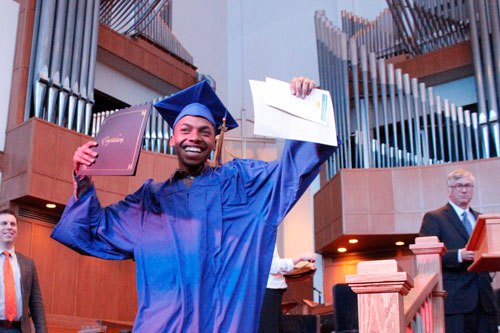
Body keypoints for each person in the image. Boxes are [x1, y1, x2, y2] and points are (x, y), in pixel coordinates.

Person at [51, 77, 337, 332]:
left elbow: (292, 170)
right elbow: (92, 230)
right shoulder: (148, 201)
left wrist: (306, 107)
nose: (195, 138)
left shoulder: (243, 186)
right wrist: (83, 177)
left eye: (204, 131)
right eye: (186, 129)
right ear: (173, 138)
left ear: (214, 140)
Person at [419, 169, 496, 333]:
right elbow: (426, 257)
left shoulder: (481, 218)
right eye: (459, 185)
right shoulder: (435, 218)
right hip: (456, 302)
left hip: (485, 300)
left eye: (468, 185)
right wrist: (459, 255)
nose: (464, 190)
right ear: (450, 190)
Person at [0, 209, 47, 333]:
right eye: (4, 223)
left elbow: (36, 302)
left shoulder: (28, 264)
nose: (9, 227)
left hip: (19, 329)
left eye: (13, 224)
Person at [258, 245, 316, 333]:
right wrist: (300, 257)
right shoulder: (266, 234)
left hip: (268, 291)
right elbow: (274, 266)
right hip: (269, 292)